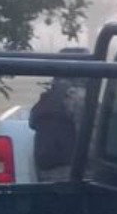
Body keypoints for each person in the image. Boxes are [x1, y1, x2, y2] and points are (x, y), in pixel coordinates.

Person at [27, 47, 90, 182]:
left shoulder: (51, 95)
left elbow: (33, 121)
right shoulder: (78, 97)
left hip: (47, 173)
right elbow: (90, 140)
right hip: (72, 174)